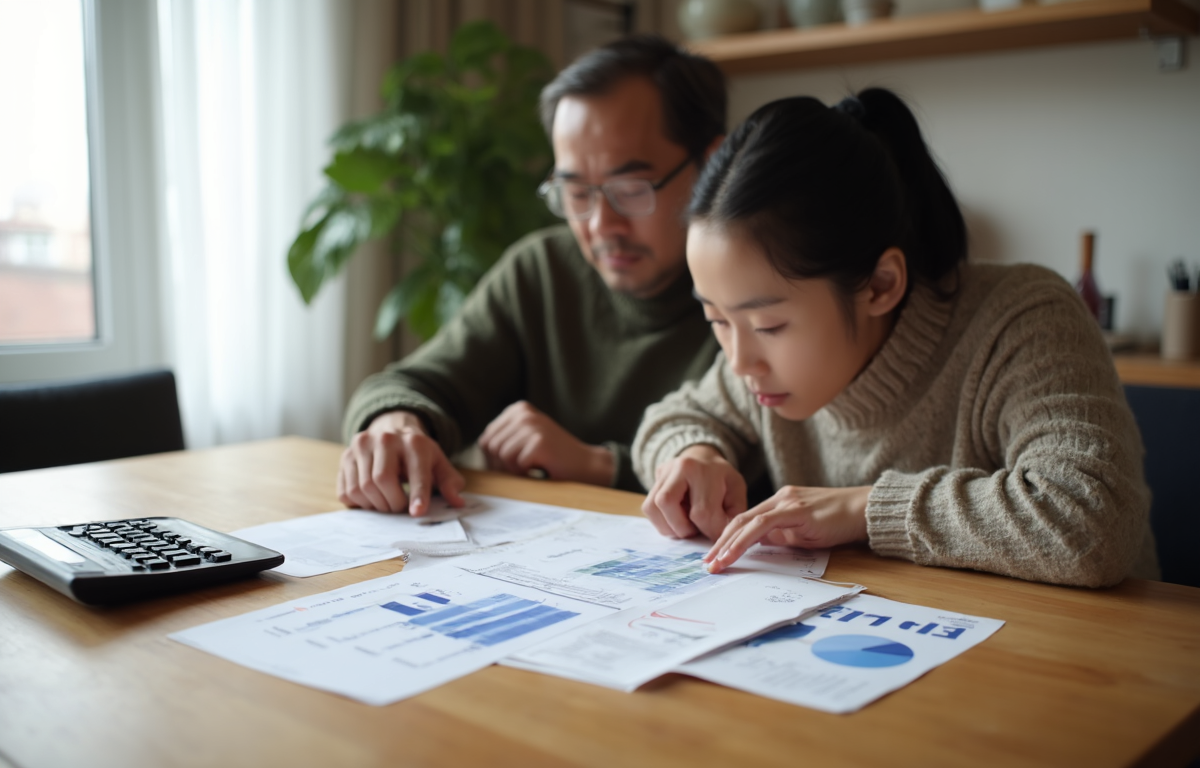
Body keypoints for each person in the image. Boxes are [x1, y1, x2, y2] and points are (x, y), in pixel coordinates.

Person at [633, 88, 1158, 588]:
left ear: (881, 285)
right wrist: (694, 454)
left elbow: (1093, 521)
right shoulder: (756, 362)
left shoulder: (1024, 318)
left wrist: (863, 509)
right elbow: (674, 418)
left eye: (769, 326)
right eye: (716, 320)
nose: (740, 361)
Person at [337, 36, 725, 515]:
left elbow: (786, 473)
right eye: (576, 192)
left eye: (631, 188)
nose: (602, 225)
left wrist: (600, 465)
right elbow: (410, 384)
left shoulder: (759, 296)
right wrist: (394, 425)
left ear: (713, 162)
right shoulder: (542, 271)